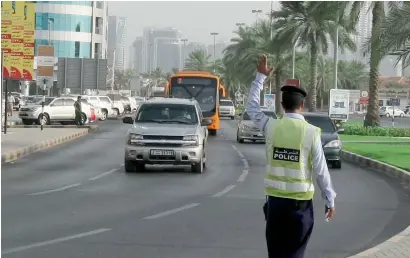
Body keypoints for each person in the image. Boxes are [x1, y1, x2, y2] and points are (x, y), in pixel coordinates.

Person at [246, 56, 337, 258]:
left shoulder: (271, 126)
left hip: (276, 206)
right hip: (300, 208)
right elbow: (321, 170)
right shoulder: (312, 133)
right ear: (302, 105)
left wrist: (261, 76)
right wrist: (329, 199)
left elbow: (251, 108)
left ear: (281, 103)